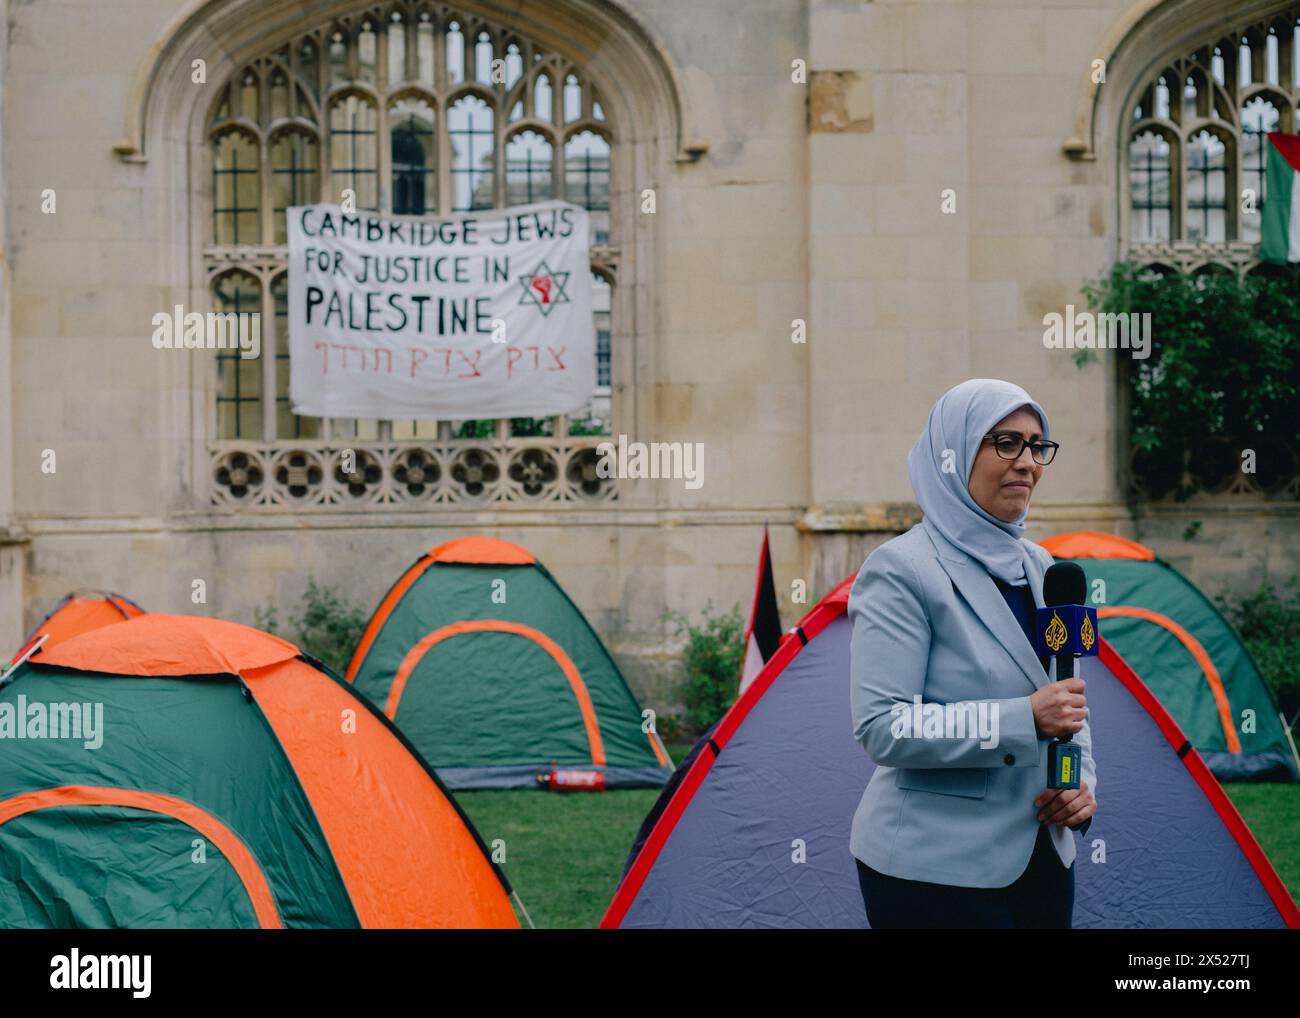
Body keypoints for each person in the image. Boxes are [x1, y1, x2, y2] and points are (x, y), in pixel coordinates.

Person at [848, 377, 1097, 929]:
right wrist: (1023, 717)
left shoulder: (1046, 569)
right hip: (933, 871)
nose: (1026, 462)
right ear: (952, 454)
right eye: (1004, 442)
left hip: (1045, 858)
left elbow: (1070, 703)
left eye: (1037, 446)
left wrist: (1082, 786)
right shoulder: (901, 571)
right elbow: (882, 727)